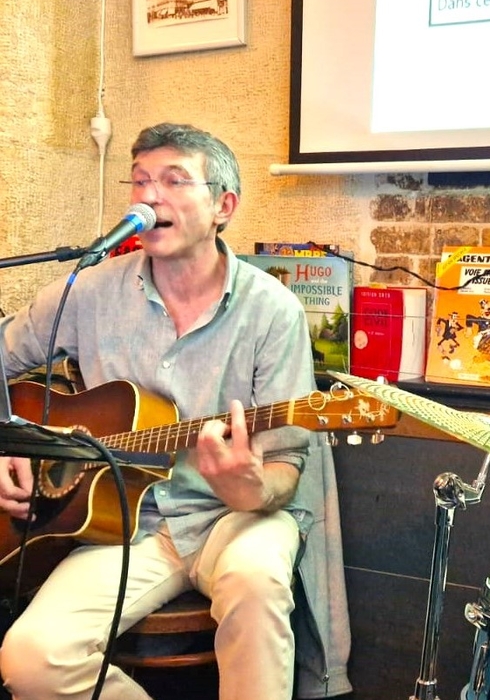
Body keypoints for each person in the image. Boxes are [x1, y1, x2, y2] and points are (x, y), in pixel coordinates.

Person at [0, 123, 349, 699]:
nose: (149, 195)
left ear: (223, 206)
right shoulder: (88, 290)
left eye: (174, 180)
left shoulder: (273, 311)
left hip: (239, 518)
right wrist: (12, 443)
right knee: (31, 658)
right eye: (139, 181)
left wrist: (251, 487)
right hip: (126, 526)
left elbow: (287, 463)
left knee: (256, 581)